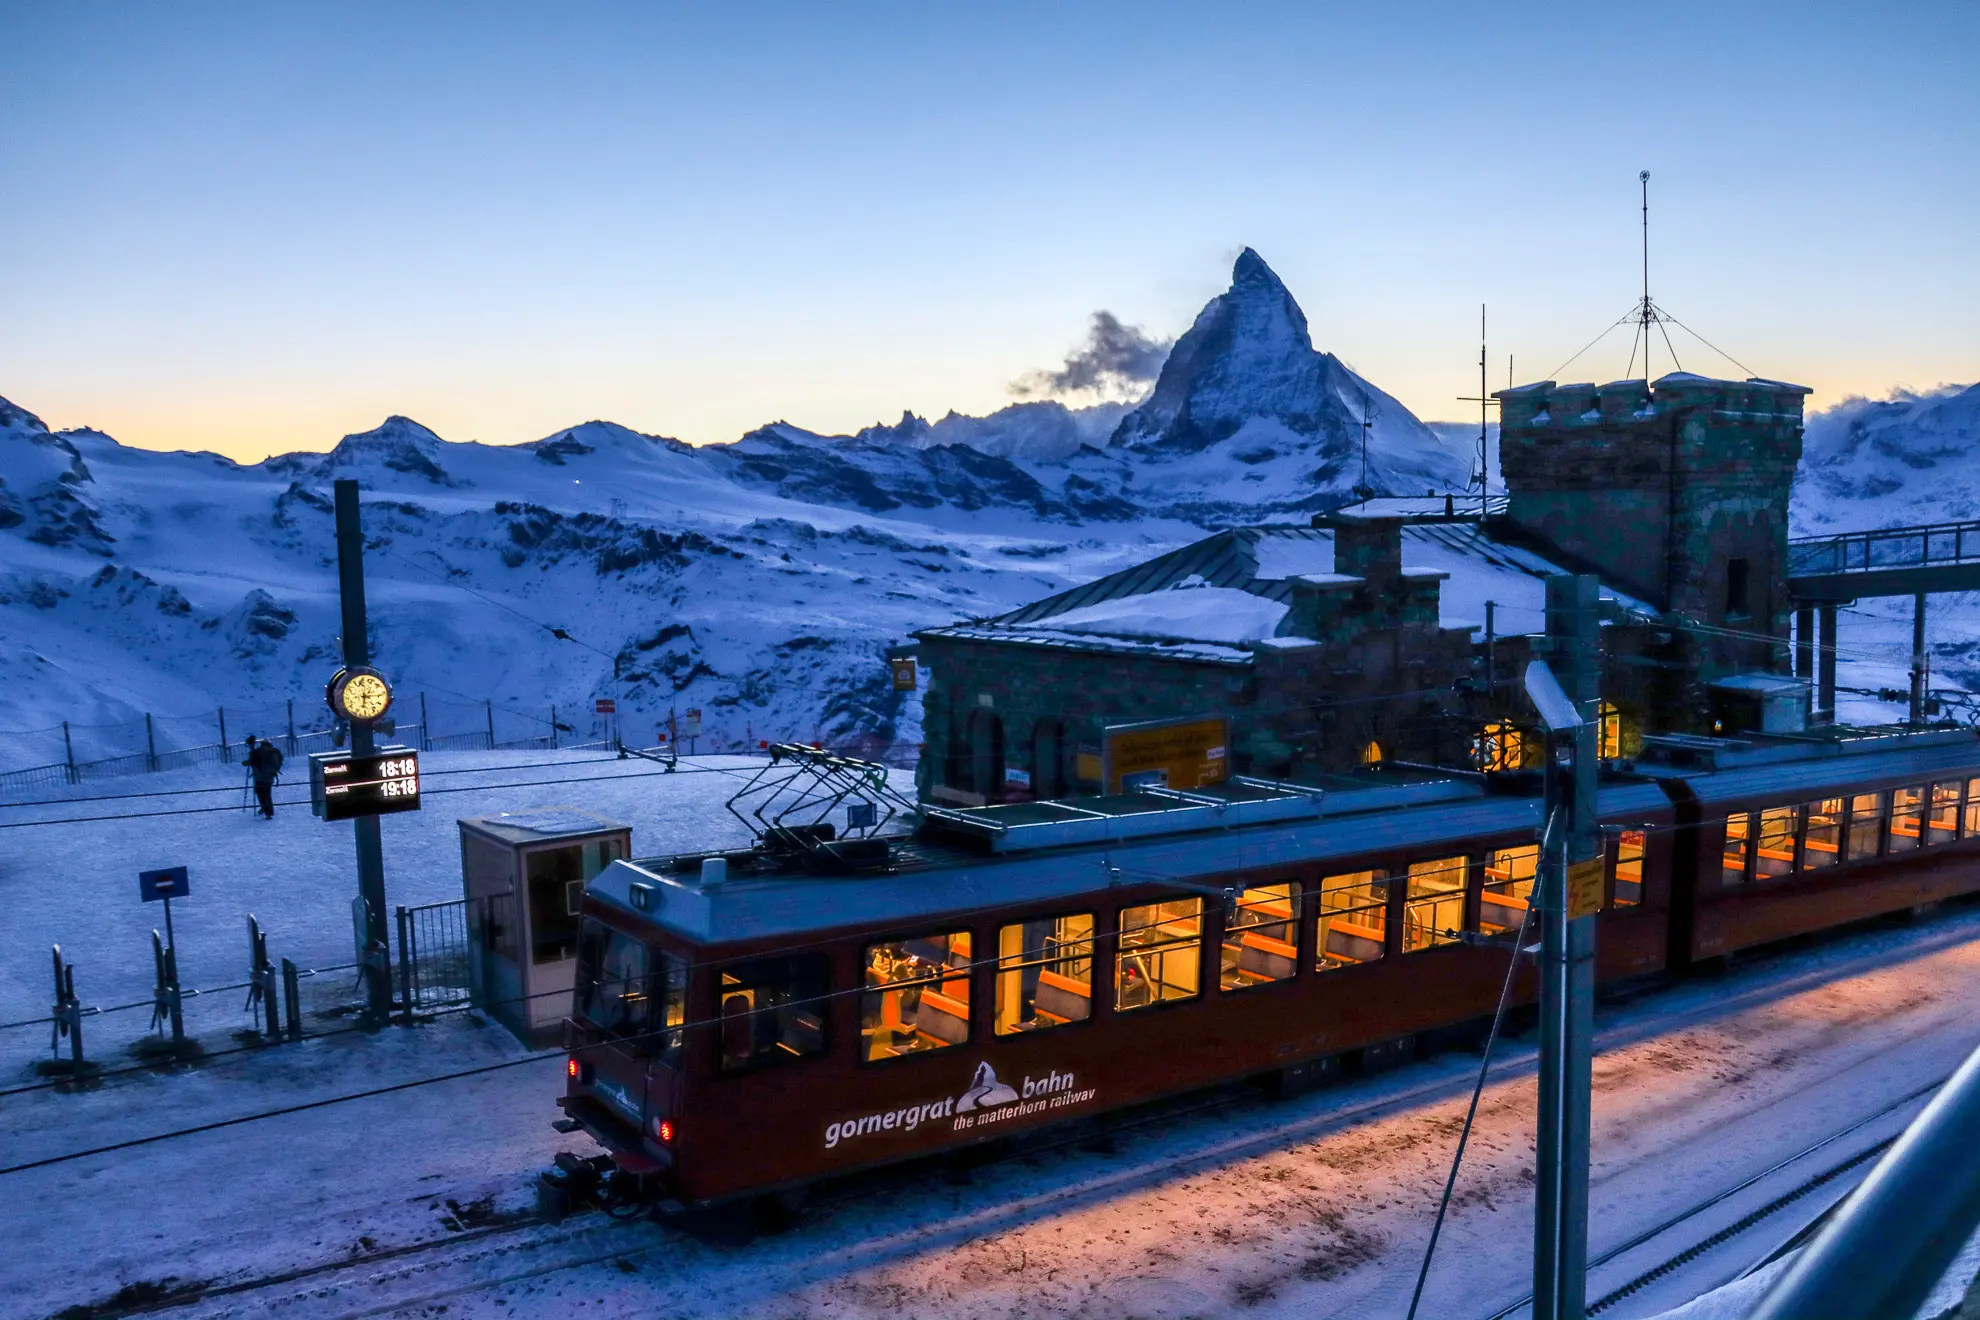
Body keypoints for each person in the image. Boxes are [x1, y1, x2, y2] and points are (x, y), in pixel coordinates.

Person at [245, 734, 284, 819]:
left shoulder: (257, 751)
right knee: (267, 793)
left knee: (260, 793)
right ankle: (268, 812)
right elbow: (278, 763)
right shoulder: (274, 751)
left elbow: (252, 760)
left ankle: (265, 809)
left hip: (258, 776)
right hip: (269, 776)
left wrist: (251, 747)